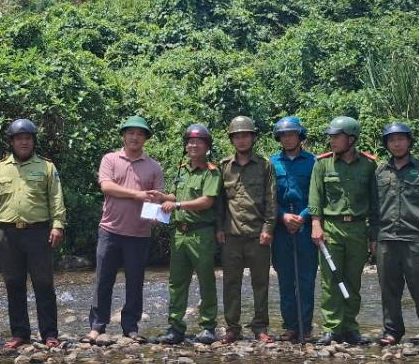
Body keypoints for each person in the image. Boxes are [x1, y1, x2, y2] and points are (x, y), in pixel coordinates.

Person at [0, 119, 66, 349]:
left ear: (34, 141)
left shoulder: (47, 167)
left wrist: (57, 225)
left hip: (38, 232)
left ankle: (49, 334)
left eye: (28, 138)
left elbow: (56, 198)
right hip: (7, 234)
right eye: (19, 138)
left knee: (44, 284)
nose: (24, 142)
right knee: (13, 284)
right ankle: (20, 334)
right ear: (12, 142)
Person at [87, 116, 164, 343]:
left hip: (139, 233)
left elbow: (157, 197)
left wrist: (156, 215)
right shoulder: (110, 159)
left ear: (145, 139)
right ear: (123, 135)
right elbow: (107, 187)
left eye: (140, 134)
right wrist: (136, 194)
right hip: (110, 230)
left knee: (135, 282)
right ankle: (97, 326)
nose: (135, 137)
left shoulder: (154, 167)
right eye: (131, 133)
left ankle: (130, 327)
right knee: (103, 280)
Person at [308, 116, 378, 345]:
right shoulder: (322, 164)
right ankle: (332, 328)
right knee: (331, 280)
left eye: (336, 137)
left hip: (358, 228)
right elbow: (315, 196)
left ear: (351, 139)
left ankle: (350, 326)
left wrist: (374, 235)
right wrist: (316, 224)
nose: (332, 141)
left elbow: (375, 203)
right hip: (331, 227)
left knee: (353, 280)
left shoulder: (368, 165)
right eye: (330, 137)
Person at [154, 124, 222, 345]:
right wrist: (162, 197)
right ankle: (175, 327)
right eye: (190, 142)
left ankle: (208, 327)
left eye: (198, 142)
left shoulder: (211, 172)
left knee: (206, 281)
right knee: (176, 282)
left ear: (207, 146)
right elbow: (176, 196)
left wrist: (178, 205)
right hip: (179, 234)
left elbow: (207, 201)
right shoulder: (182, 170)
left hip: (201, 234)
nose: (193, 145)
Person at [375, 122, 419, 346]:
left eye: (401, 139)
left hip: (415, 238)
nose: (397, 144)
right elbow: (374, 207)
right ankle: (392, 331)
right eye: (392, 140)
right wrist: (373, 237)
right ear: (387, 144)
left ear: (409, 141)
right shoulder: (380, 171)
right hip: (386, 238)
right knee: (389, 289)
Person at [217, 116, 277, 343]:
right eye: (237, 136)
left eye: (245, 136)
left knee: (260, 283)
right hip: (231, 235)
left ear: (253, 138)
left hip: (257, 234)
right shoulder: (224, 166)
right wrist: (219, 227)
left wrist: (268, 228)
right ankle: (233, 327)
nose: (241, 140)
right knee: (231, 283)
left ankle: (260, 327)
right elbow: (219, 201)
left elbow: (271, 199)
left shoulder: (265, 165)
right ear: (232, 140)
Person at [270, 116, 317, 343]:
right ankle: (290, 326)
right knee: (285, 279)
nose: (287, 138)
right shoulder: (271, 163)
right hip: (281, 228)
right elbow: (268, 198)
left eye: (291, 134)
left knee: (306, 279)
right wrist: (282, 216)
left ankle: (305, 326)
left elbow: (318, 195)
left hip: (306, 227)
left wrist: (303, 216)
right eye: (283, 135)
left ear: (300, 136)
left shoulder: (314, 162)